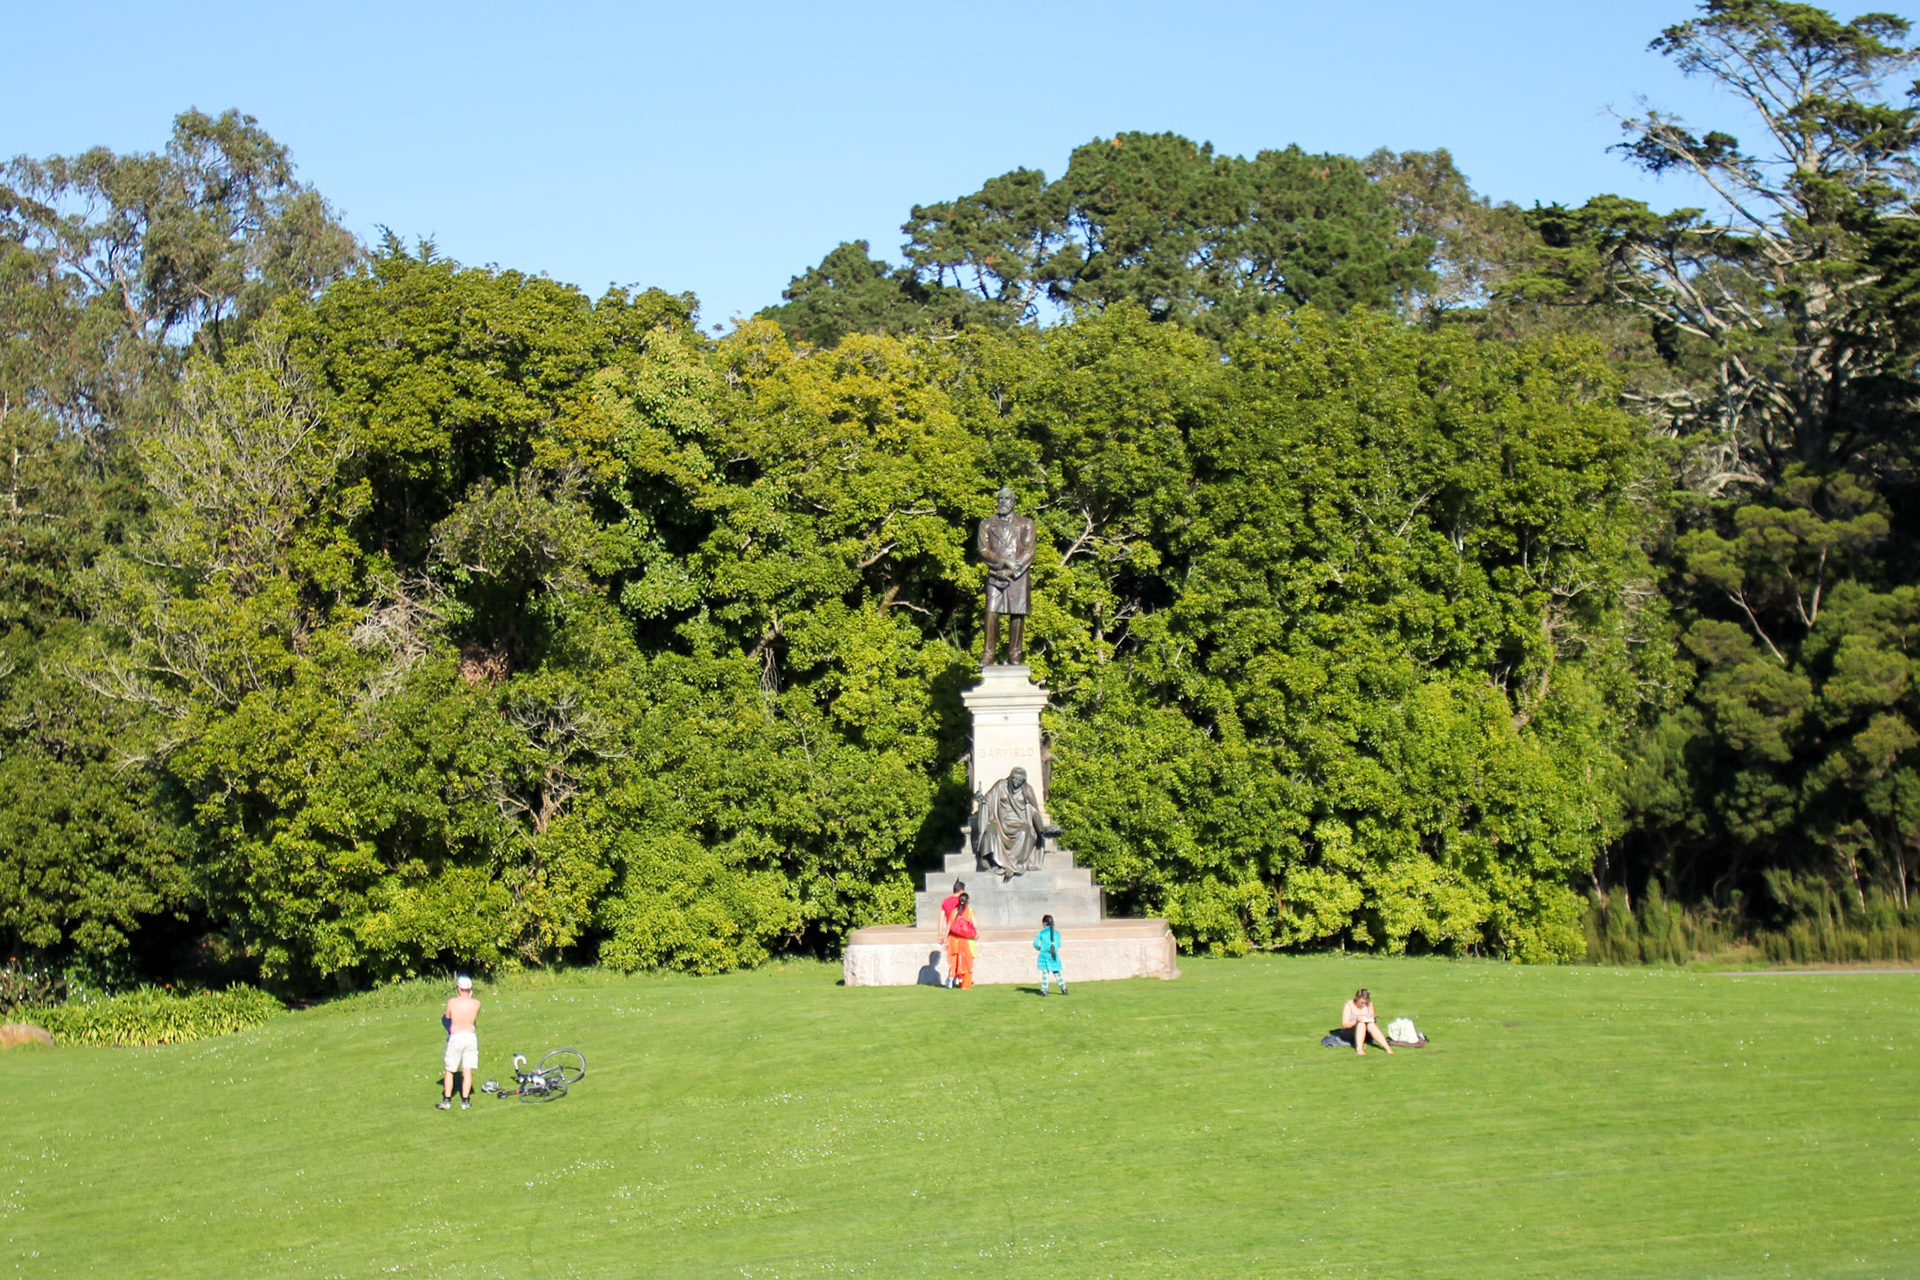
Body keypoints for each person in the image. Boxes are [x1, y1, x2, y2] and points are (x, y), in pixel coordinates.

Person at [977, 486, 1035, 667]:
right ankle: (989, 653)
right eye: (1000, 499)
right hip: (996, 574)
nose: (1003, 502)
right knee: (991, 611)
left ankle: (1015, 654)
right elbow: (984, 550)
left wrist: (1012, 570)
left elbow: (1029, 551)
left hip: (1018, 576)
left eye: (1007, 499)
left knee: (1017, 614)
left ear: (1014, 501)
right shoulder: (987, 524)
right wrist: (1003, 561)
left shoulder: (1026, 523)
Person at [972, 767, 1061, 878]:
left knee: (1026, 832)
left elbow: (1034, 812)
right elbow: (987, 800)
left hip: (1019, 823)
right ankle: (986, 858)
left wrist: (1042, 829)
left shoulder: (1027, 790)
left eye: (1020, 780)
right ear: (1010, 777)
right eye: (1014, 779)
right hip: (1000, 822)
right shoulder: (1000, 785)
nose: (1016, 783)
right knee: (990, 831)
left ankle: (1014, 866)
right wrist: (981, 800)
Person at [439, 975, 482, 1109]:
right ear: (470, 990)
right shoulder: (476, 1003)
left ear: (458, 988)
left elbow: (447, 1018)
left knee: (450, 1069)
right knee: (467, 1070)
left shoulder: (452, 1002)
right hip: (470, 1036)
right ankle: (465, 1101)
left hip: (456, 1036)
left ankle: (447, 1100)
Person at [1336, 987, 1393, 1057]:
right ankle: (1359, 1049)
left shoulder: (1369, 1005)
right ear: (1357, 999)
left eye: (1365, 1003)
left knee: (1371, 1024)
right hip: (1351, 1031)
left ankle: (1387, 1047)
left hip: (1366, 1032)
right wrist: (1356, 1021)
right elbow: (1345, 1025)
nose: (1363, 1005)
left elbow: (1371, 1017)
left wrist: (1373, 1018)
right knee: (1361, 1024)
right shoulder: (1349, 1005)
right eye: (1361, 1003)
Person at [945, 892, 978, 990]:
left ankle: (950, 981)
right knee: (966, 963)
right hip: (965, 941)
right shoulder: (970, 911)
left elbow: (949, 927)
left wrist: (945, 939)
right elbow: (975, 924)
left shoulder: (954, 912)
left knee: (954, 962)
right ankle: (965, 983)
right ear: (967, 901)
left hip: (954, 940)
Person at [937, 880, 966, 987]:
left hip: (951, 933)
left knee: (953, 956)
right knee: (962, 956)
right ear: (962, 890)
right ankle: (957, 977)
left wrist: (940, 933)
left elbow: (941, 918)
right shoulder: (962, 901)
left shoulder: (946, 901)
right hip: (961, 933)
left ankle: (953, 977)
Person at [1033, 914, 1066, 996]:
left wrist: (1040, 948)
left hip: (1044, 956)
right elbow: (1058, 945)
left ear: (1044, 923)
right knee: (1057, 972)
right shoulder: (1057, 933)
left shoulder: (1041, 933)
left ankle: (1044, 991)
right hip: (1053, 955)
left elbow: (1035, 944)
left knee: (1045, 974)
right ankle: (1064, 989)